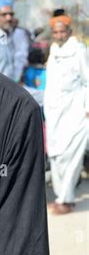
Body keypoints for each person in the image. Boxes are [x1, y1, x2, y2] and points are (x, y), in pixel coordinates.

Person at [44, 15, 89, 215]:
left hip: (76, 110)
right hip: (54, 112)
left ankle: (66, 199)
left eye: (63, 31)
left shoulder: (79, 50)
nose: (59, 35)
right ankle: (62, 195)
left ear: (69, 32)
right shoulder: (54, 50)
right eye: (56, 32)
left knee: (72, 155)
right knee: (57, 155)